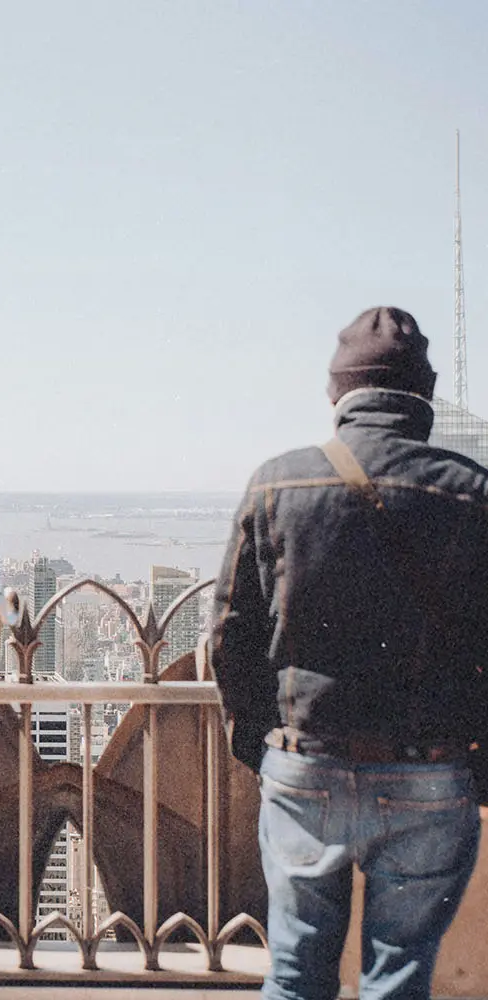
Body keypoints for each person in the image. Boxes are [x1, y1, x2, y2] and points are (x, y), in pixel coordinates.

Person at [211, 306, 488, 1000]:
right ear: (423, 400)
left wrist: (259, 744)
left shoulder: (278, 482)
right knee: (398, 979)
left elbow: (230, 633)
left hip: (306, 764)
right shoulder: (472, 493)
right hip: (431, 771)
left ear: (339, 395)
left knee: (296, 973)